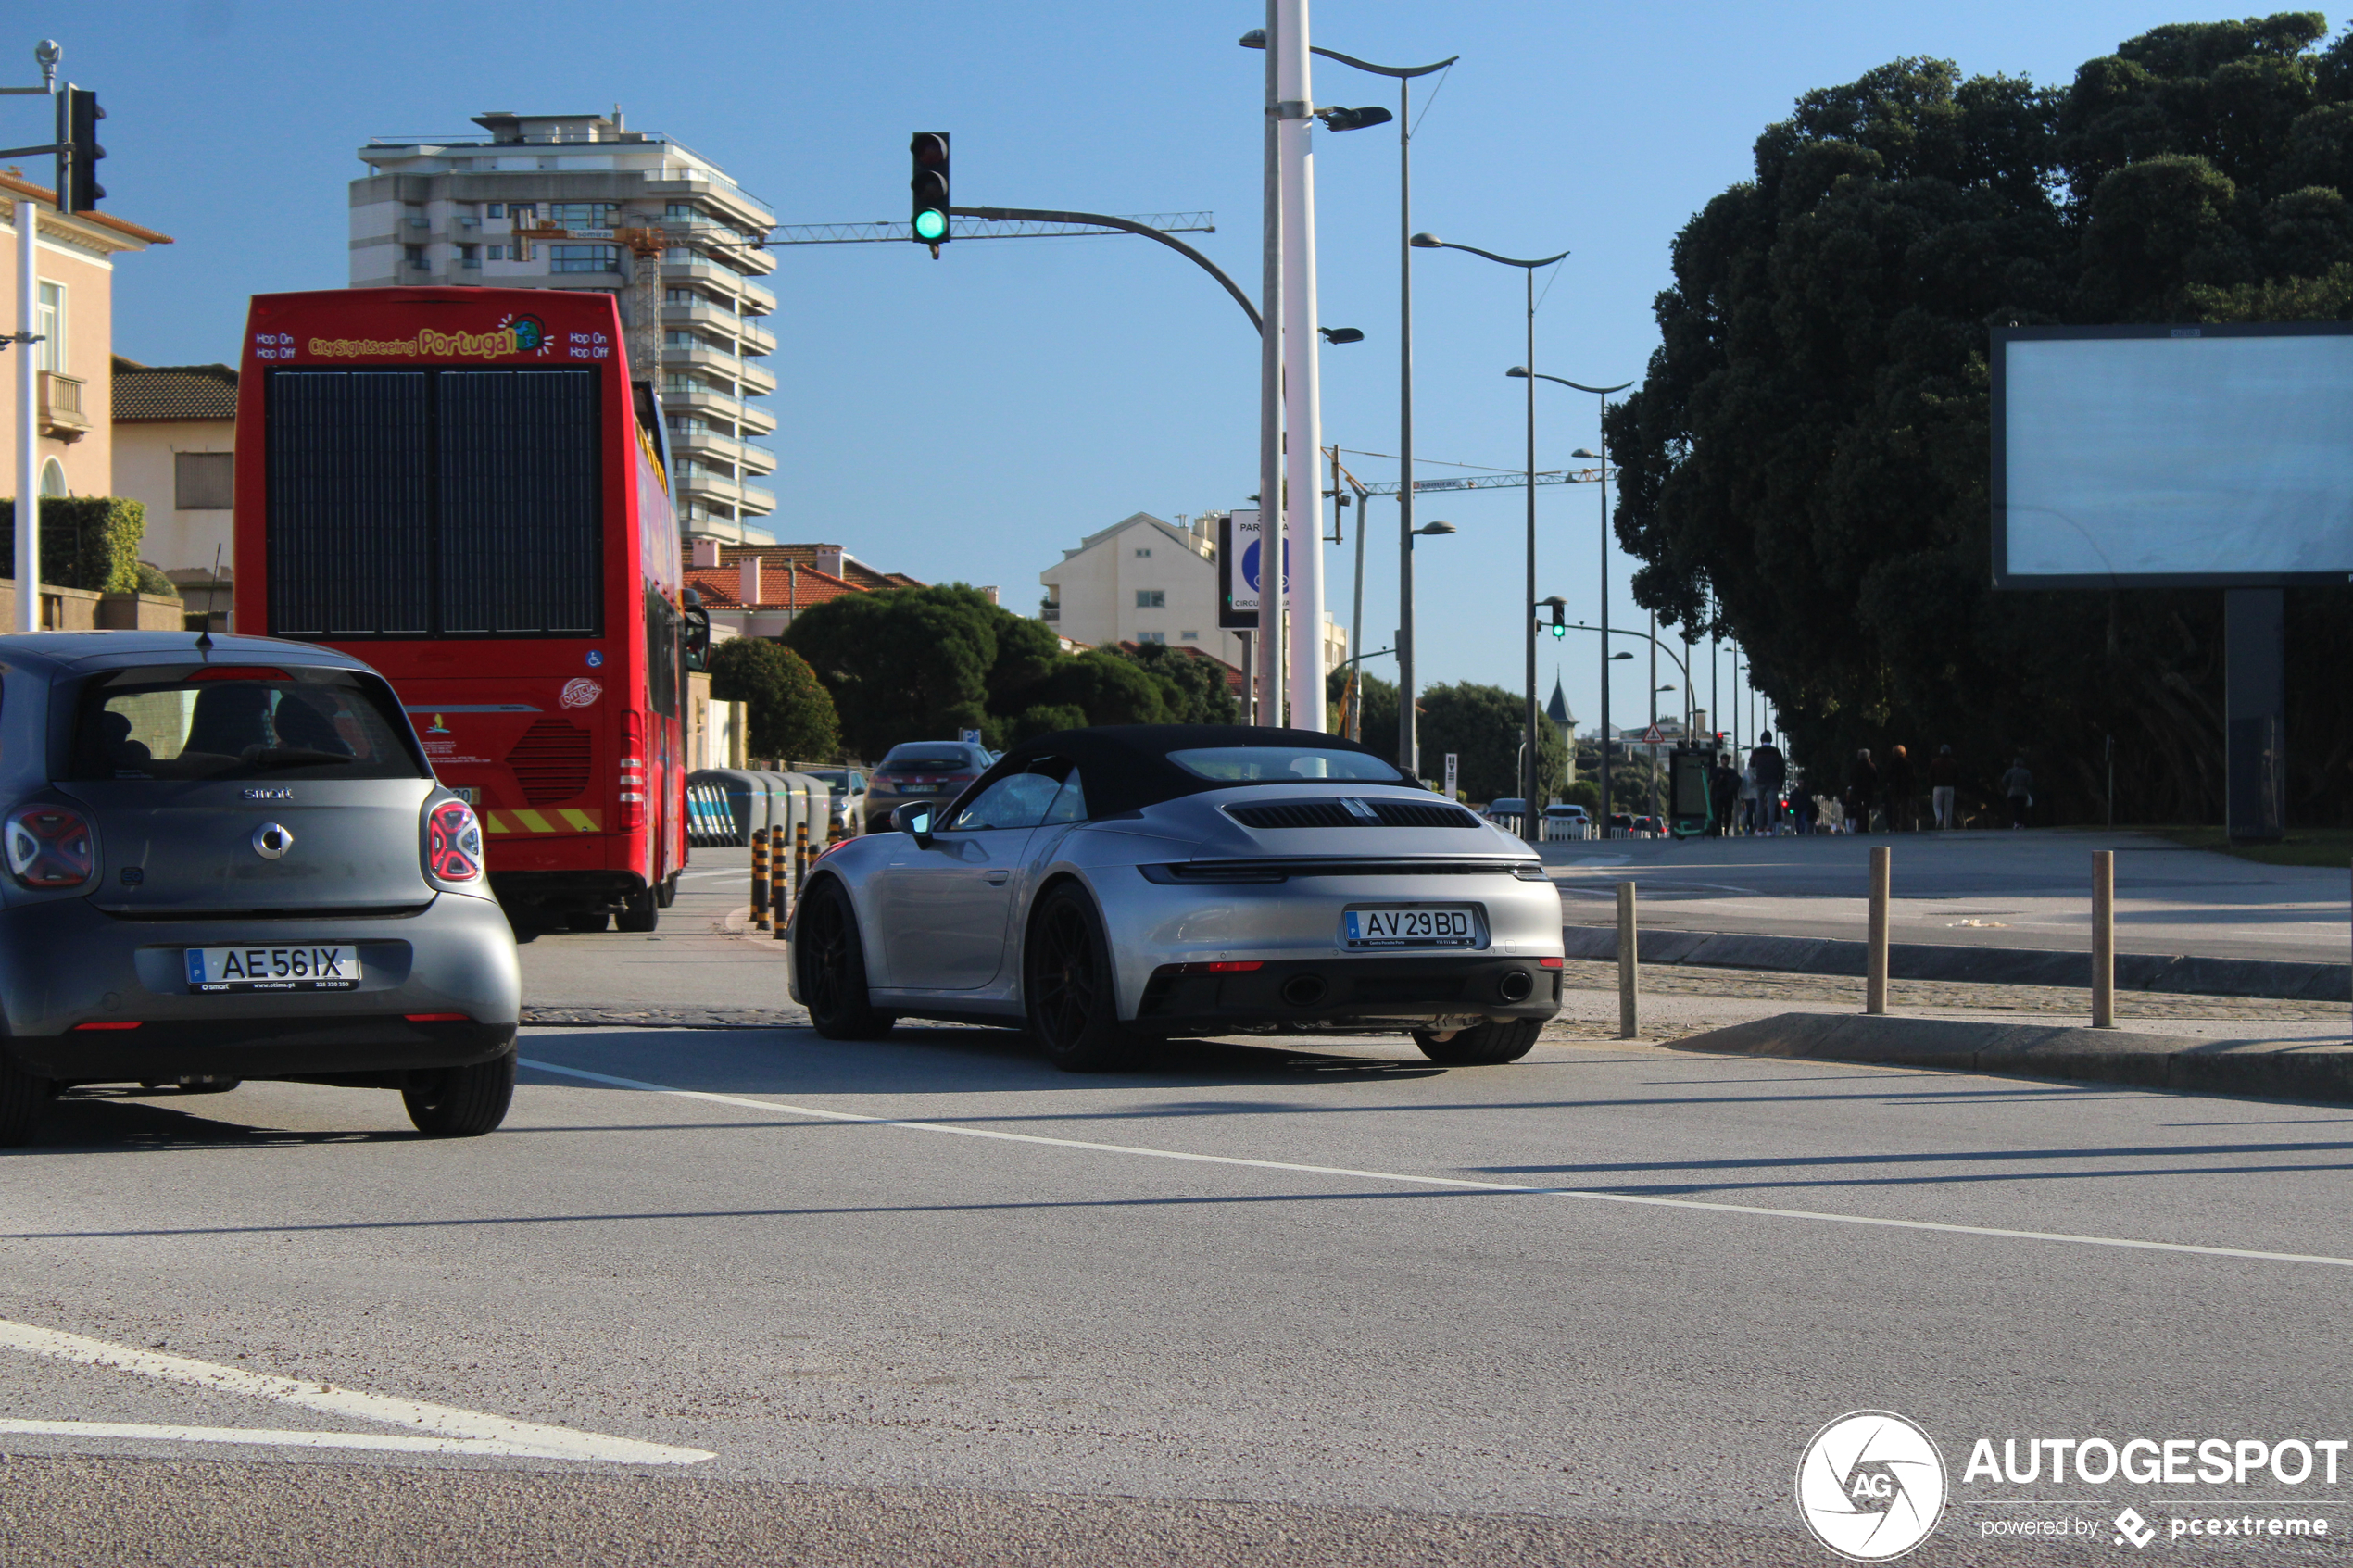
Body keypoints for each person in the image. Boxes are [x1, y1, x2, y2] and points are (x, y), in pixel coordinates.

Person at [1750, 731, 1787, 835]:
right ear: (1771, 740)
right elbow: (1782, 768)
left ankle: (1760, 829)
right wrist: (1781, 783)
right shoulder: (1776, 752)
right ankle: (1770, 829)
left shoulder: (1757, 752)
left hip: (1761, 781)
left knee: (1760, 804)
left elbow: (1751, 764)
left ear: (1761, 740)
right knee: (1771, 805)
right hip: (1773, 781)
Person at [1883, 744, 1916, 833]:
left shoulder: (1891, 763)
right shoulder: (1908, 763)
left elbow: (1886, 776)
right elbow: (1912, 777)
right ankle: (1904, 825)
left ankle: (1894, 825)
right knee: (1905, 808)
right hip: (1906, 788)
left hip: (1894, 788)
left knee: (1894, 808)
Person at [1847, 747, 1880, 834]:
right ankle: (1865, 827)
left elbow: (1850, 778)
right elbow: (1875, 778)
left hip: (1857, 790)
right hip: (1868, 790)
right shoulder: (1871, 766)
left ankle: (1859, 826)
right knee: (1866, 809)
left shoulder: (1855, 766)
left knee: (1858, 808)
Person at [1930, 744, 1960, 830]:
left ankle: (1939, 818)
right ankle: (1947, 826)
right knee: (1948, 807)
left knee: (1937, 805)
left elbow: (1930, 775)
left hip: (1938, 787)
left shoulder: (1935, 762)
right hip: (1950, 787)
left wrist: (1932, 785)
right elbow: (1957, 776)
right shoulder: (1953, 763)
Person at [2001, 756, 2033, 829]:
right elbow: (2030, 782)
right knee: (2022, 808)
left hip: (2012, 792)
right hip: (2023, 792)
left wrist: (2008, 787)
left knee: (2015, 807)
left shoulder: (2010, 771)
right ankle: (2021, 822)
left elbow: (2004, 780)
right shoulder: (2026, 772)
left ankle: (2016, 822)